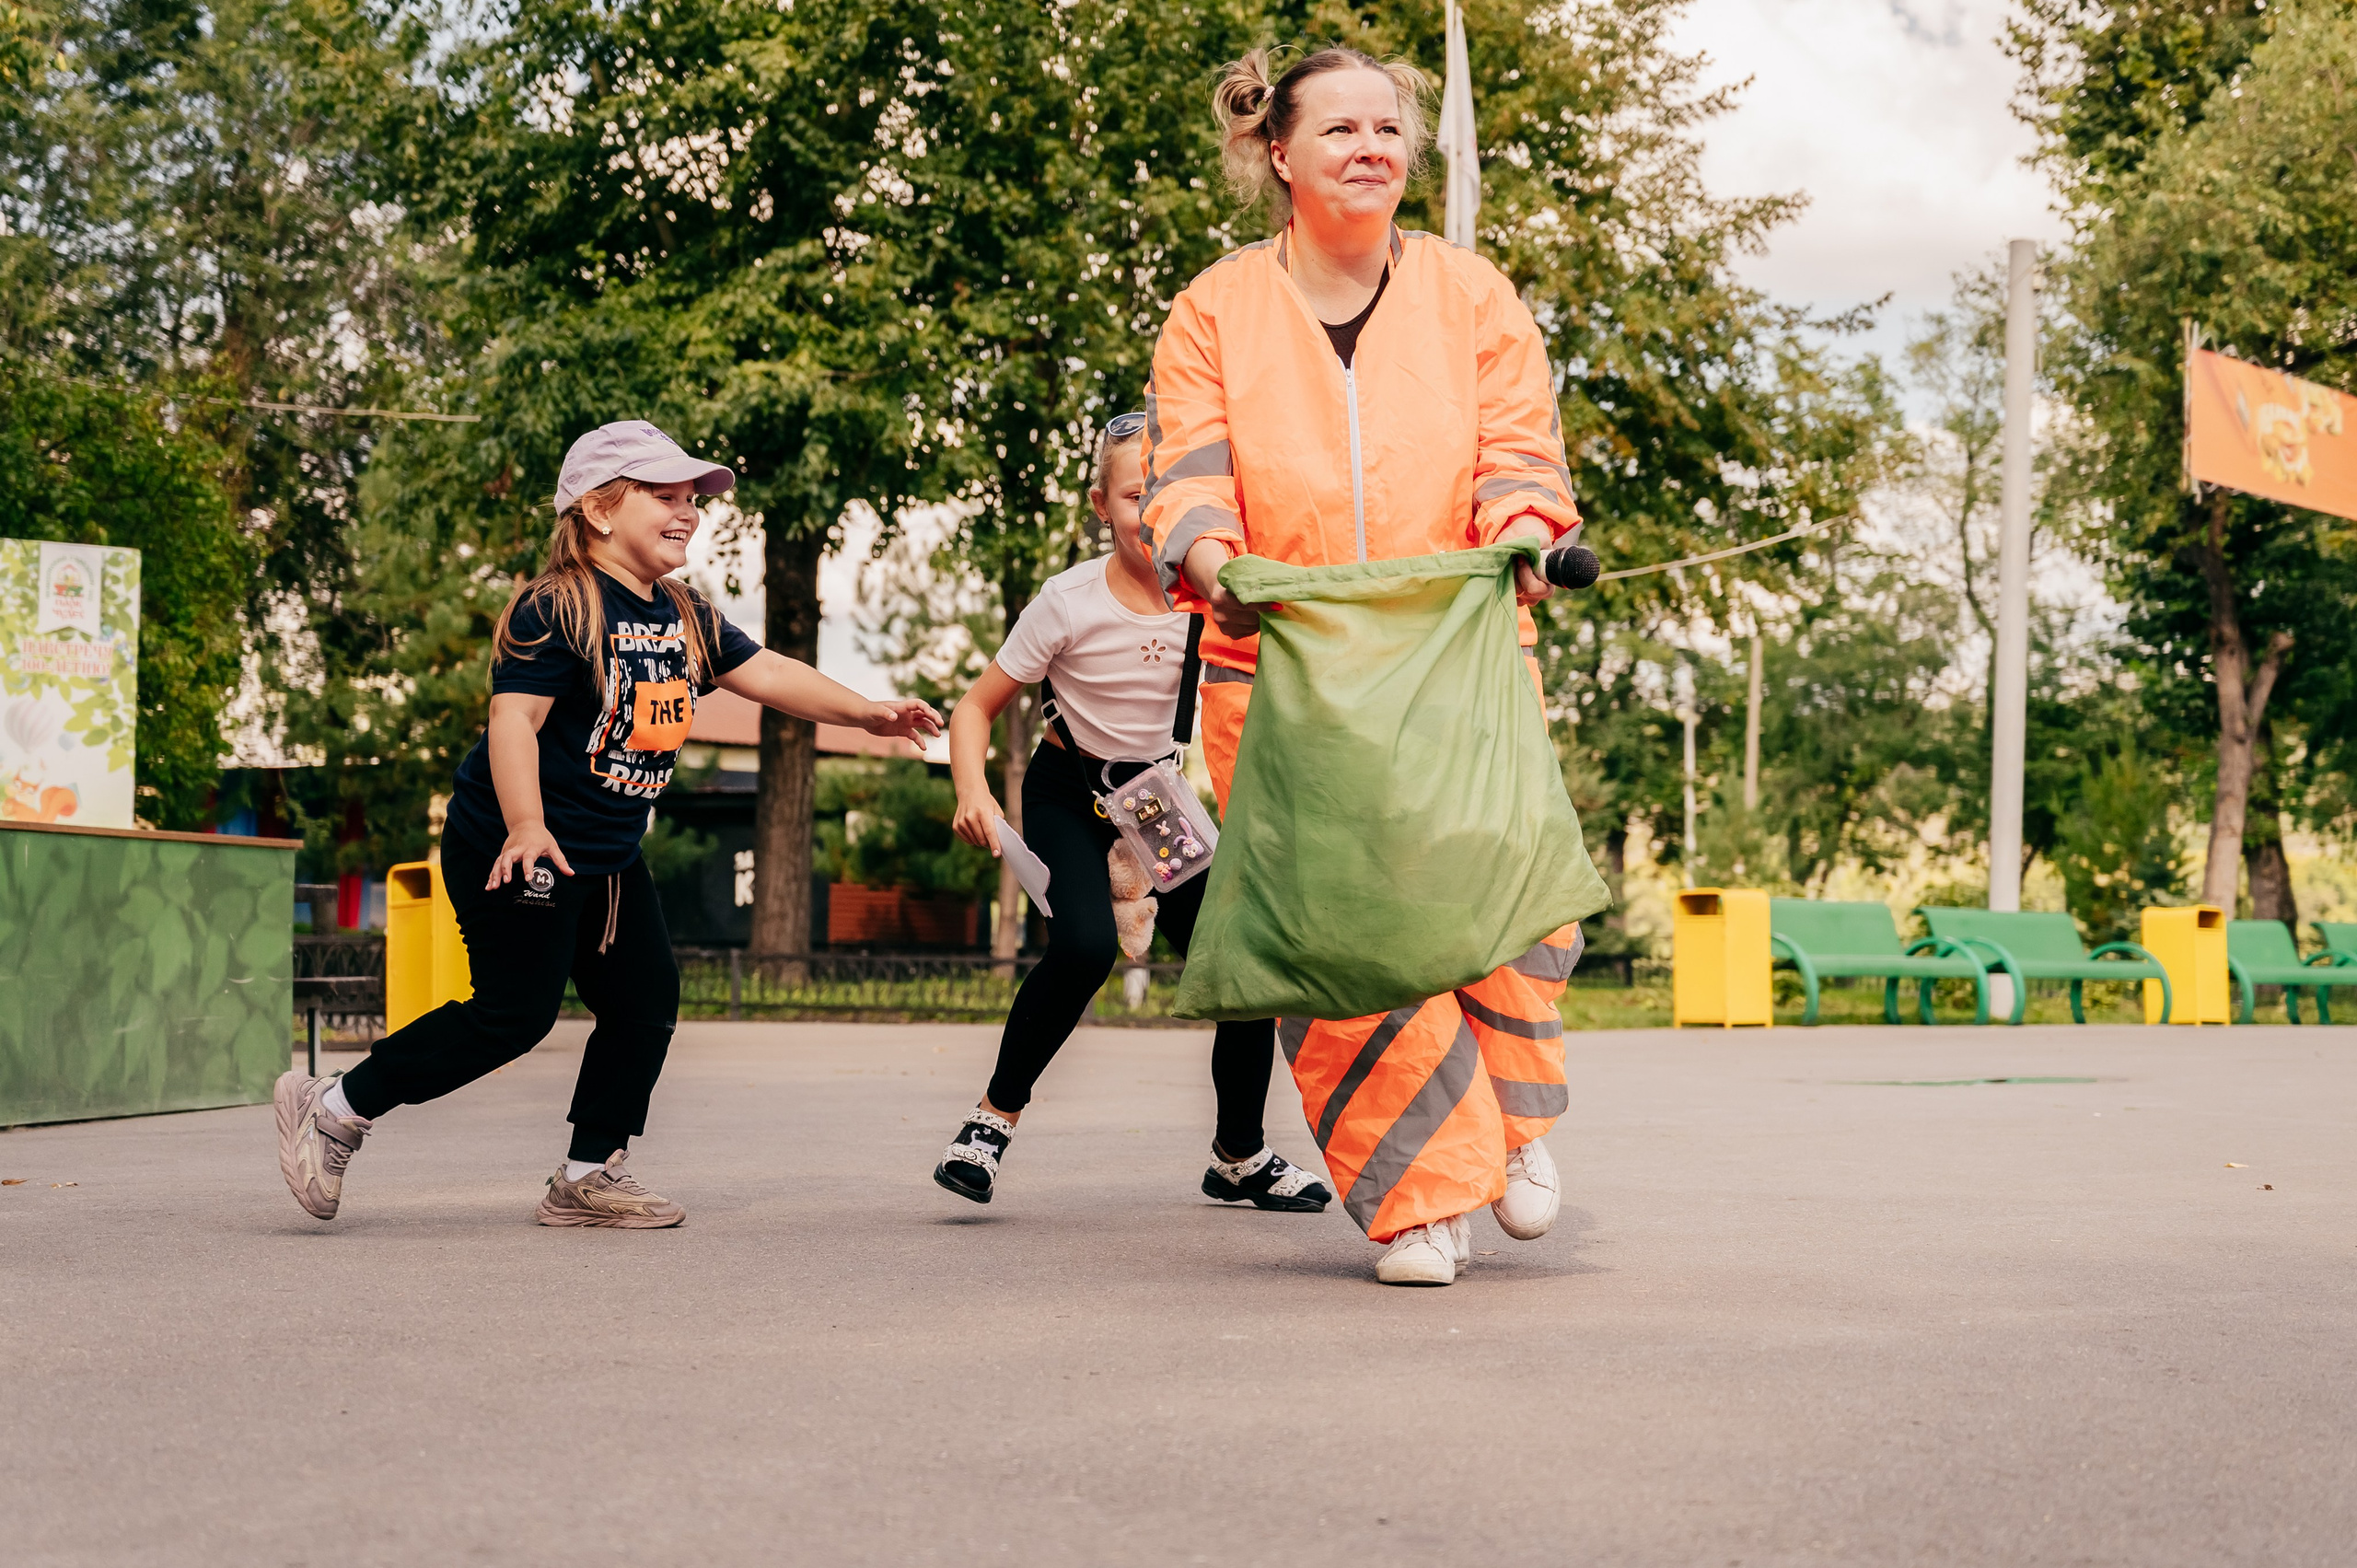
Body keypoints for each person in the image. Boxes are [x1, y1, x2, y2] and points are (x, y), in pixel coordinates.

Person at [1141, 47, 1587, 1285]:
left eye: (1388, 125)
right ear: (1277, 153)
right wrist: (1214, 555)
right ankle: (1419, 1198)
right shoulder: (1214, 307)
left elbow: (1518, 445)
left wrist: (1522, 534)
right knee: (1341, 932)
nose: (1370, 144)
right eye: (1338, 127)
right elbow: (1187, 470)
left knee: (1499, 887)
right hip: (1282, 660)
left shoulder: (1472, 292)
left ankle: (1515, 1113)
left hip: (1458, 651)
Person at [274, 421, 941, 1227]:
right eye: (664, 495)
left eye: (693, 499)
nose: (688, 511)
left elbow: (767, 672)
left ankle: (587, 1174)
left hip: (608, 852)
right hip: (516, 842)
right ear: (597, 507)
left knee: (645, 999)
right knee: (514, 1015)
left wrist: (866, 712)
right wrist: (525, 824)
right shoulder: (557, 607)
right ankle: (339, 1105)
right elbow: (512, 723)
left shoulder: (685, 614)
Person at [932, 413, 1330, 1214]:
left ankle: (1239, 1156)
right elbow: (976, 708)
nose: (1150, 513)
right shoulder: (1068, 602)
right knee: (1083, 946)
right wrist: (971, 789)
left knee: (1241, 967)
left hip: (1154, 802)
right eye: (1133, 494)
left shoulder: (1217, 597)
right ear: (1100, 503)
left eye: (1167, 495)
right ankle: (990, 1121)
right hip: (1067, 790)